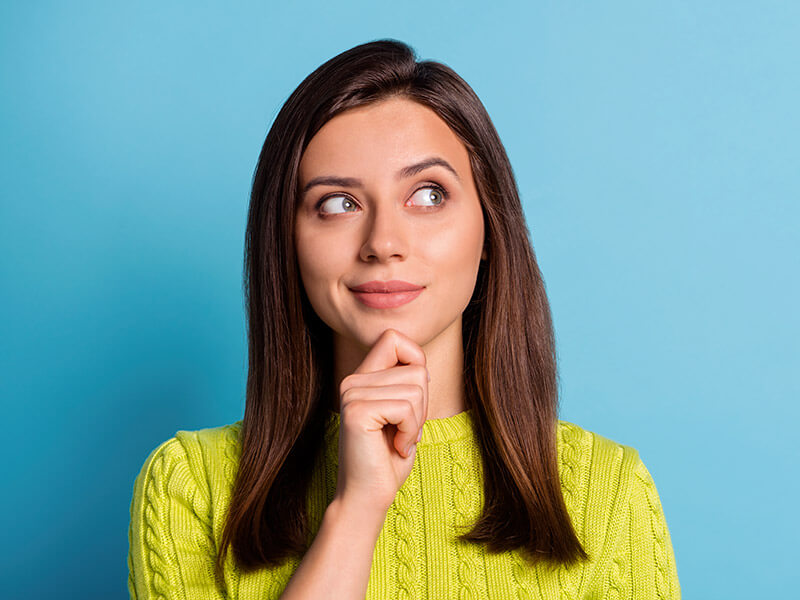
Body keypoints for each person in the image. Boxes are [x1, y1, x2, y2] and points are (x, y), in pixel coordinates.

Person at [128, 39, 680, 599]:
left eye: (428, 194)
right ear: (288, 242)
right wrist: (355, 510)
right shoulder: (192, 486)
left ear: (489, 228)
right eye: (338, 203)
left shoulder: (607, 492)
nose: (383, 243)